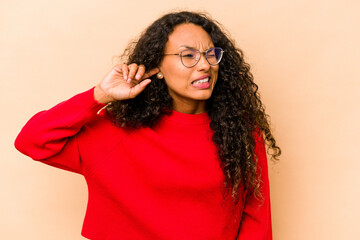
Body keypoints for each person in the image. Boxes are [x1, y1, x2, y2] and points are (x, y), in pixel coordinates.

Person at [15, 11, 281, 240]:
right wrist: (99, 95)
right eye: (188, 55)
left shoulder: (239, 132)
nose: (205, 65)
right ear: (158, 67)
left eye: (211, 54)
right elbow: (32, 140)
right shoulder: (115, 130)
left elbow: (256, 220)